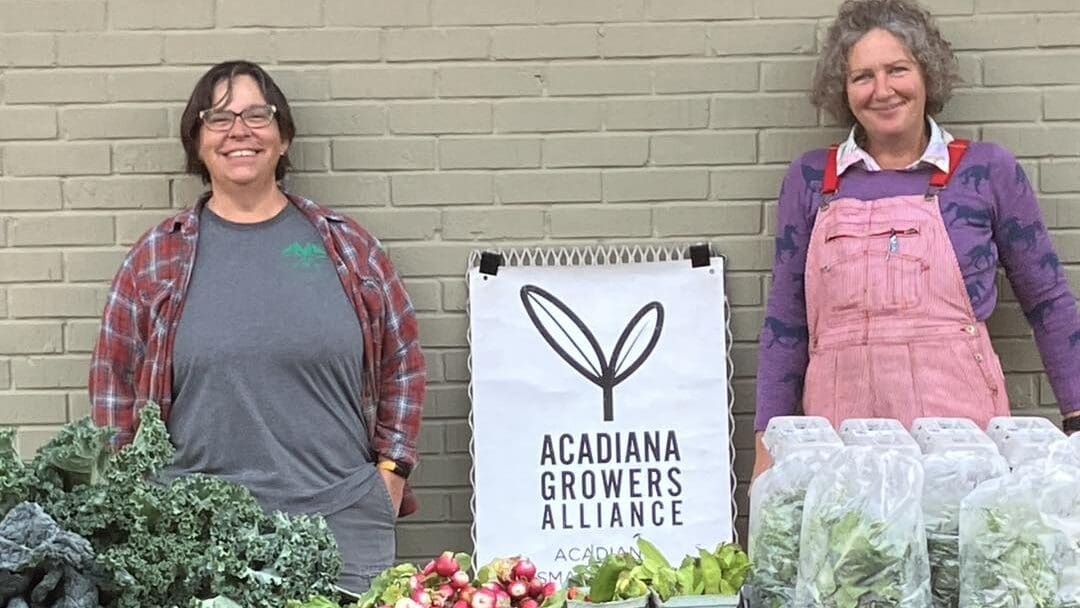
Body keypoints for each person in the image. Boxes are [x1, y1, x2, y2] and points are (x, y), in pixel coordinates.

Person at [88, 60, 425, 592]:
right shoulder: (156, 258)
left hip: (341, 522)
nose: (238, 131)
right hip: (197, 534)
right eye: (218, 118)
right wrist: (140, 498)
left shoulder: (347, 246)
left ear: (283, 137)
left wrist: (390, 475)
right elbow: (114, 381)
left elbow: (401, 362)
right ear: (197, 142)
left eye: (257, 115)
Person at [753, 0, 1080, 479]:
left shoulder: (986, 171)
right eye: (862, 76)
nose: (882, 90)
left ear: (927, 73)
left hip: (963, 441)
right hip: (840, 442)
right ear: (844, 89)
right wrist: (767, 443)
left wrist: (1077, 413)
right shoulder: (812, 180)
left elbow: (1048, 301)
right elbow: (786, 320)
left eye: (897, 70)